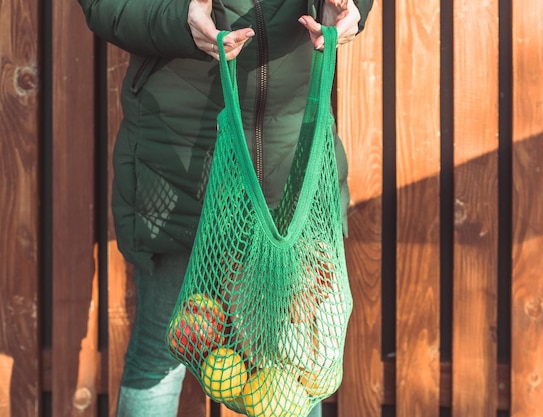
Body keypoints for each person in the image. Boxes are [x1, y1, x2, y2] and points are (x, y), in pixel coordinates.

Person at [77, 0, 373, 415]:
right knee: (161, 355)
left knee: (297, 365)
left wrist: (349, 6)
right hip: (179, 168)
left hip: (291, 172)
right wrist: (179, 18)